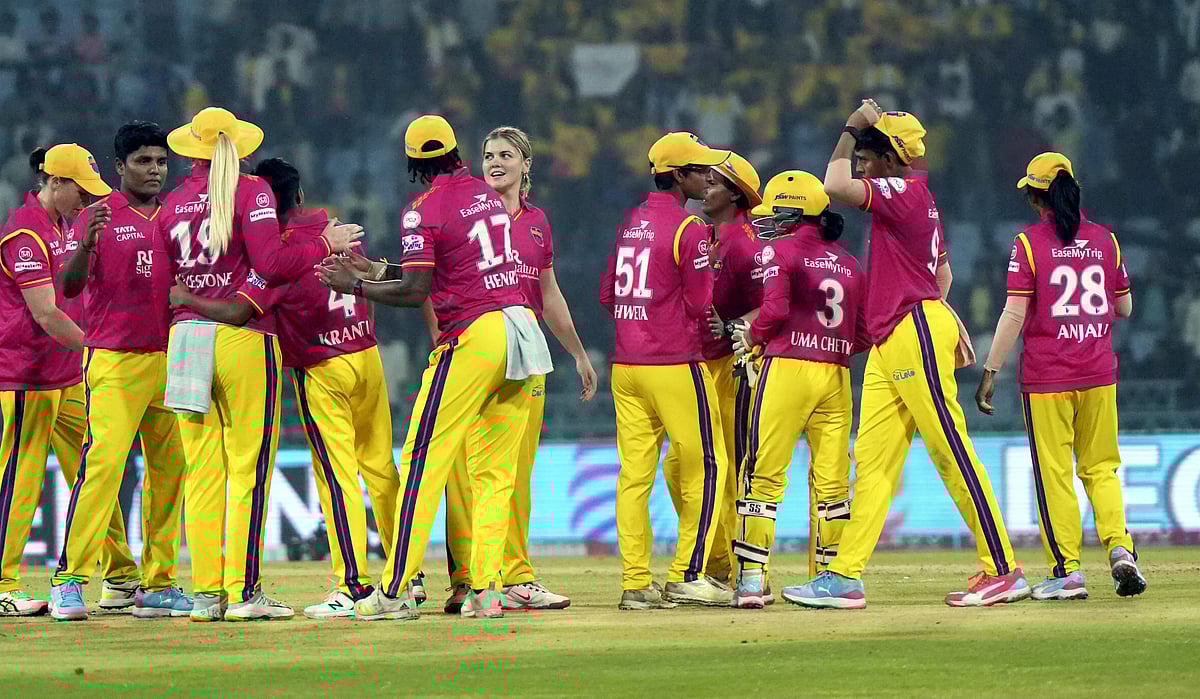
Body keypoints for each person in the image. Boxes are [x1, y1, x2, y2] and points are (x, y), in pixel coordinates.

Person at [786, 104, 1029, 609]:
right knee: (873, 463)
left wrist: (851, 126)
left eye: (870, 157)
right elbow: (943, 277)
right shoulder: (921, 201)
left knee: (949, 450)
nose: (862, 166)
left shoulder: (902, 192)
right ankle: (844, 576)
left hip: (909, 328)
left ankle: (1003, 569)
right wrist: (924, 309)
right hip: (897, 333)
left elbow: (831, 183)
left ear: (894, 158)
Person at [319, 114, 551, 622]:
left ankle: (395, 589)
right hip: (519, 331)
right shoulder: (486, 196)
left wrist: (353, 287)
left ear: (412, 164)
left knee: (423, 461)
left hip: (473, 335)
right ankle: (487, 589)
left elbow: (417, 290)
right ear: (456, 153)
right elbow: (452, 263)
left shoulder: (421, 211)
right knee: (496, 473)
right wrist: (377, 269)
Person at [171, 157, 404, 619]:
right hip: (366, 354)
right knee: (381, 470)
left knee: (336, 477)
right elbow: (390, 276)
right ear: (299, 196)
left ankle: (353, 585)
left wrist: (187, 300)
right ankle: (406, 578)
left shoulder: (277, 253)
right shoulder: (335, 229)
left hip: (319, 367)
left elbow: (242, 310)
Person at [154, 107, 362, 622]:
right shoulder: (252, 192)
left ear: (191, 149)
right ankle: (244, 592)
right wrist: (323, 244)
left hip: (184, 338)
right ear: (241, 147)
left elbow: (162, 285)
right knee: (247, 467)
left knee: (201, 471)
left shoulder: (170, 205)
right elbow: (270, 264)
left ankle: (205, 594)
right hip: (244, 339)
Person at [975, 153, 1146, 599]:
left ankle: (1068, 571)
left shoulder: (1028, 243)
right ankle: (1120, 548)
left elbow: (1014, 313)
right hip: (1098, 373)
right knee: (1102, 468)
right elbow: (1125, 306)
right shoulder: (1106, 240)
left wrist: (991, 369)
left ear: (1036, 196)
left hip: (1048, 377)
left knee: (1055, 473)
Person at [441, 126, 597, 613]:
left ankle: (515, 576)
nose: (494, 162)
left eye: (505, 155)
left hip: (526, 354)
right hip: (471, 350)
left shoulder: (537, 223)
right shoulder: (465, 212)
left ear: (526, 165)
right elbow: (433, 283)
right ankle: (467, 578)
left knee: (514, 473)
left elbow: (548, 293)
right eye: (487, 155)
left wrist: (577, 352)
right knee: (464, 473)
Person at [49, 123, 192, 620]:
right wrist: (86, 244)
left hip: (172, 359)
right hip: (114, 360)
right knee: (103, 468)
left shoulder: (178, 215)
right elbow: (67, 289)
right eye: (143, 161)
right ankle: (69, 580)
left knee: (170, 471)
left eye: (160, 161)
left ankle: (158, 584)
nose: (154, 170)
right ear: (119, 167)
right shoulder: (96, 216)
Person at [0, 143, 143, 617]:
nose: (86, 200)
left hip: (65, 377)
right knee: (19, 482)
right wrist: (98, 347)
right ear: (55, 182)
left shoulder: (64, 226)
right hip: (25, 379)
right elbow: (45, 314)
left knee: (94, 477)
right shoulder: (24, 235)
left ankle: (120, 575)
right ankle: (2, 582)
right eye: (79, 190)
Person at [716, 171, 864, 609]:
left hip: (788, 370)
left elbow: (776, 308)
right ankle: (829, 576)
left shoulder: (780, 251)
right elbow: (864, 333)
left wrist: (754, 336)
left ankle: (751, 581)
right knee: (832, 484)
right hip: (836, 375)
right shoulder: (850, 263)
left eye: (773, 214)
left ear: (792, 213)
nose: (766, 222)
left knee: (762, 476)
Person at [600, 132, 733, 609]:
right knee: (708, 464)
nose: (708, 176)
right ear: (678, 176)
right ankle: (688, 573)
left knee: (634, 477)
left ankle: (636, 583)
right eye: (700, 170)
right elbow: (700, 305)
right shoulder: (688, 228)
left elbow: (608, 295)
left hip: (626, 365)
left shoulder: (629, 224)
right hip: (673, 362)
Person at [659, 152, 763, 588]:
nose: (706, 186)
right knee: (680, 468)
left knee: (728, 467)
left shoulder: (745, 241)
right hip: (699, 363)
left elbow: (778, 298)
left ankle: (744, 570)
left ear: (736, 194)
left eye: (716, 182)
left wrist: (743, 325)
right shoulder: (707, 235)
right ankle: (718, 559)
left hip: (731, 365)